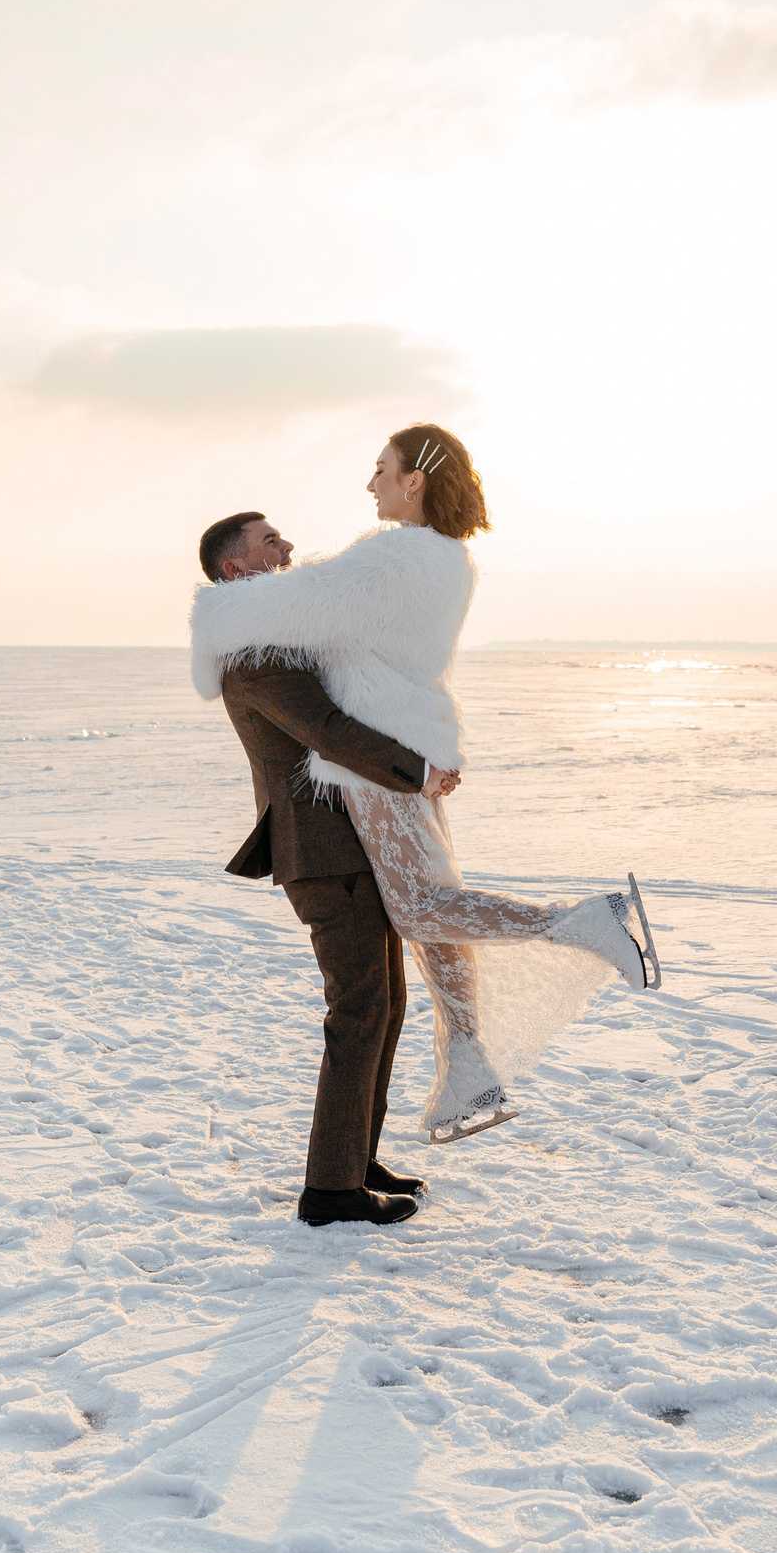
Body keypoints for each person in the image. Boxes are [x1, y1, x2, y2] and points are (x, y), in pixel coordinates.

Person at [191, 425, 659, 1149]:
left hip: (381, 755)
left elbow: (301, 599)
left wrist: (210, 616)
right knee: (435, 915)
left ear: (415, 481)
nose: (370, 483)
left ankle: (580, 923)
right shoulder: (449, 559)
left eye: (381, 470)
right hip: (417, 741)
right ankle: (467, 1065)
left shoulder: (394, 555)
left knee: (417, 906)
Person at [199, 509, 458, 1227]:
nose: (286, 547)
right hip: (321, 851)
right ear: (237, 570)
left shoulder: (283, 637)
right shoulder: (254, 651)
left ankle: (355, 1158)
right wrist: (419, 770)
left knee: (386, 1003)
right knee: (358, 1007)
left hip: (351, 846)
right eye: (269, 541)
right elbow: (328, 732)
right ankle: (331, 1192)